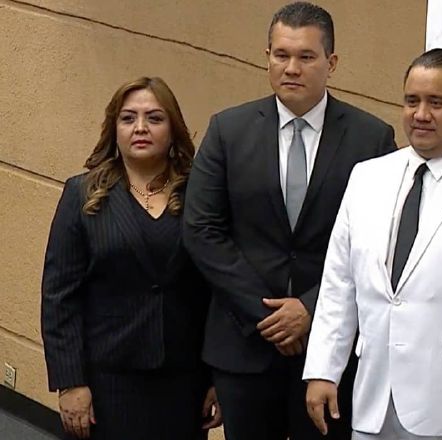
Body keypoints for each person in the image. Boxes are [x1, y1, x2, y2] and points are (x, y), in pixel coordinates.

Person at [182, 2, 396, 439]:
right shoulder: (228, 130)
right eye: (281, 55)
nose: (291, 68)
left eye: (306, 57)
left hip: (331, 351)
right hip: (244, 345)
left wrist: (310, 310)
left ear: (331, 63)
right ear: (267, 57)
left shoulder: (371, 139)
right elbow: (202, 229)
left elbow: (382, 242)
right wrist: (267, 314)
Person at [303, 48, 442, 440]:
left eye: (436, 103)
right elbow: (339, 282)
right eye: (412, 100)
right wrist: (324, 369)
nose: (420, 114)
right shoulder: (368, 177)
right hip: (374, 396)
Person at [41, 76, 221, 440]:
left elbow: (216, 291)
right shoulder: (82, 194)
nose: (141, 127)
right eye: (128, 118)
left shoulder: (201, 195)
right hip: (106, 382)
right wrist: (70, 382)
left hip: (184, 382)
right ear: (114, 128)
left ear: (173, 129)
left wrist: (218, 377)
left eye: (154, 118)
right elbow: (59, 296)